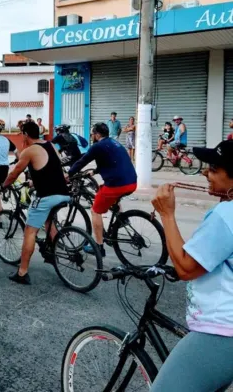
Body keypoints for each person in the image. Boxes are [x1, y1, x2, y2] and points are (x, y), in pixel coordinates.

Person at [150, 139, 233, 392]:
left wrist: (167, 214)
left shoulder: (226, 216)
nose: (206, 173)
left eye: (215, 169)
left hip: (220, 333)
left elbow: (185, 267)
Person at [1, 121, 70, 285]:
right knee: (48, 221)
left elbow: (14, 173)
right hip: (63, 193)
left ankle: (22, 272)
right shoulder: (51, 145)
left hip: (47, 196)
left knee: (29, 232)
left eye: (21, 134)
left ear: (25, 134)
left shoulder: (29, 151)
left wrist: (2, 186)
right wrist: (34, 182)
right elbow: (53, 168)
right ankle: (53, 253)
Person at [69, 123, 137, 257]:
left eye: (92, 134)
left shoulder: (97, 146)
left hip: (118, 185)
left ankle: (99, 247)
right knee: (103, 191)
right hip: (132, 182)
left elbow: (83, 161)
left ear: (97, 135)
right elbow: (111, 161)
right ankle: (121, 219)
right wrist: (95, 171)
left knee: (95, 210)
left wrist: (69, 174)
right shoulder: (113, 142)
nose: (92, 136)